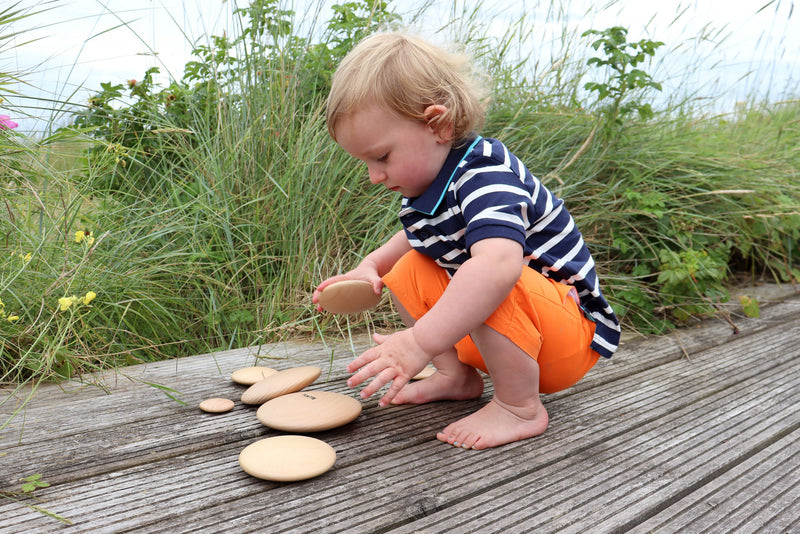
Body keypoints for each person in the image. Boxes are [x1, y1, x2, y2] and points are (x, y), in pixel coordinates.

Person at [312, 31, 620, 450]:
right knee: (411, 267)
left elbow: (498, 266)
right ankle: (454, 375)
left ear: (438, 124)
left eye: (381, 157)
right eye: (365, 162)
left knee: (489, 273)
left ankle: (519, 406)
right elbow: (414, 236)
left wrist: (418, 342)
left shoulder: (484, 174)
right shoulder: (432, 188)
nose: (374, 176)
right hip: (519, 333)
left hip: (567, 335)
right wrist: (371, 266)